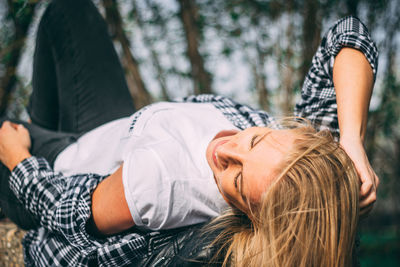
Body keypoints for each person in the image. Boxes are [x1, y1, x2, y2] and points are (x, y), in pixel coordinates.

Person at [0, 0, 379, 266]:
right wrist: (349, 142)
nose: (226, 151)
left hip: (64, 167)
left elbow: (68, 212)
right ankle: (42, 120)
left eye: (237, 177)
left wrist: (19, 158)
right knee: (69, 12)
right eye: (254, 139)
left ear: (250, 214)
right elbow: (349, 36)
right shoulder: (287, 155)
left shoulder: (161, 183)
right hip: (112, 130)